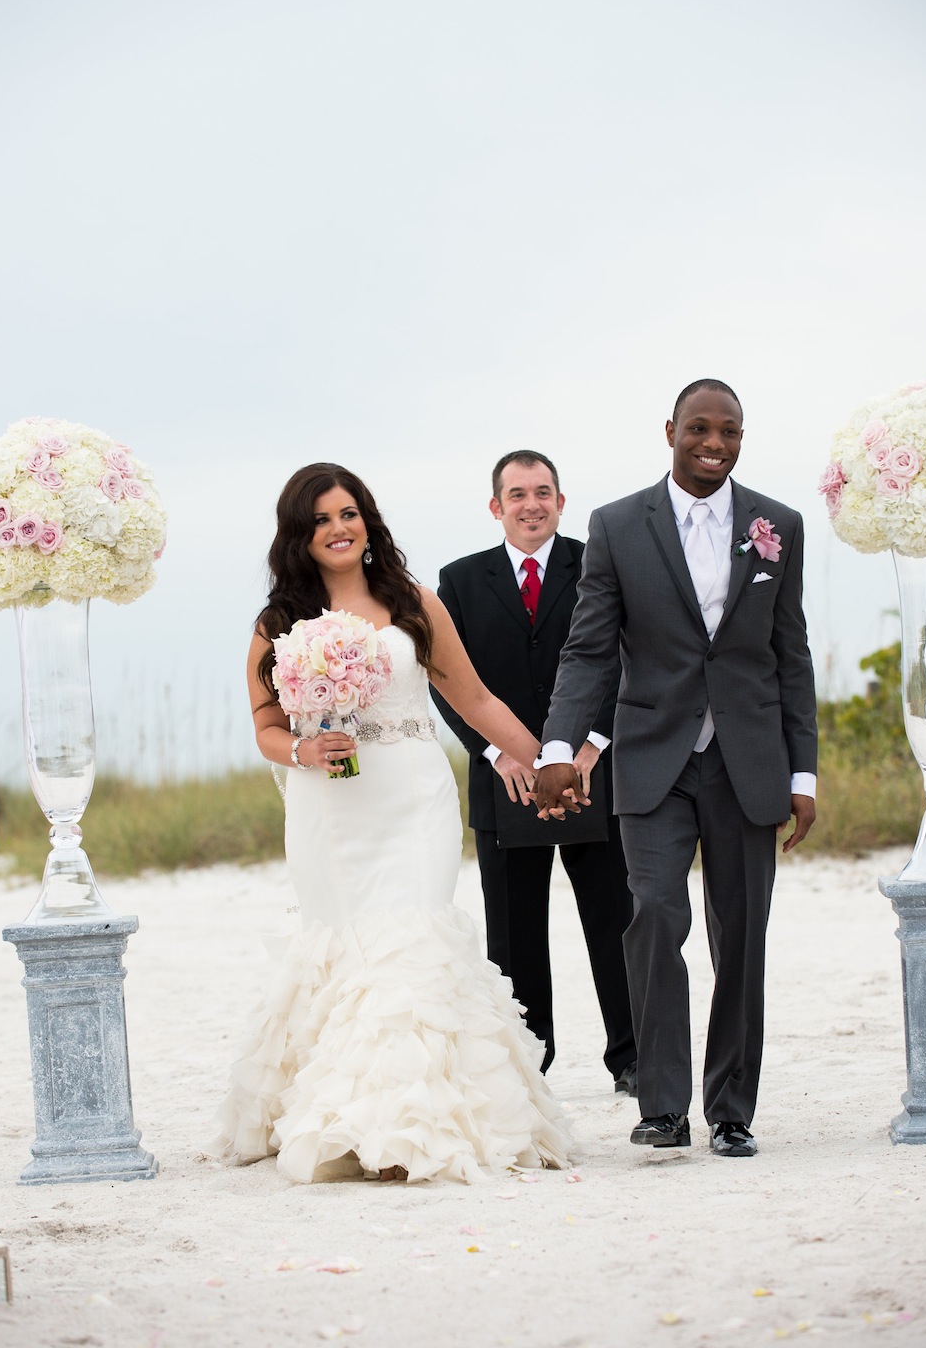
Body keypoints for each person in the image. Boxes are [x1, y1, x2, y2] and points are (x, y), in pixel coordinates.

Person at [211, 462, 572, 1183]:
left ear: (367, 521)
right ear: (299, 537)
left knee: (412, 941)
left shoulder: (412, 602)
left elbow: (474, 700)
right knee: (346, 947)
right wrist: (302, 749)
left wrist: (547, 764)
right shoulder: (277, 623)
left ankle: (417, 1124)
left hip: (413, 800)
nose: (337, 528)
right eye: (320, 520)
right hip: (330, 808)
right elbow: (263, 725)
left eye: (348, 513)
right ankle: (347, 1122)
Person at [533, 380, 817, 1158]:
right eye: (699, 427)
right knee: (655, 913)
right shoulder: (618, 526)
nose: (714, 443)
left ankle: (732, 1110)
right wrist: (559, 749)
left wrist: (804, 774)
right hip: (654, 757)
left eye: (730, 431)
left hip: (750, 761)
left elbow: (790, 655)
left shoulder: (778, 526)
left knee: (742, 934)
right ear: (670, 431)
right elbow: (589, 649)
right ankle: (661, 1104)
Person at [431, 450, 636, 1089]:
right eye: (517, 494)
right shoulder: (460, 582)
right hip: (506, 784)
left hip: (594, 774)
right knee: (515, 939)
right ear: (496, 507)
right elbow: (443, 679)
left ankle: (632, 1060)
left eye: (543, 492)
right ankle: (528, 1067)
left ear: (561, 502)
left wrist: (594, 743)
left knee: (615, 923)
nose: (531, 504)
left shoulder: (598, 567)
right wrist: (495, 754)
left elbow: (630, 657)